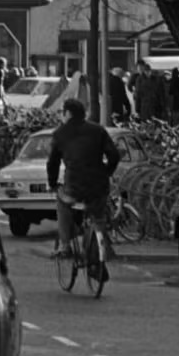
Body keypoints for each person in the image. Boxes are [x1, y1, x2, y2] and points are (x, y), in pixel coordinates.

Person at [45, 99, 122, 259]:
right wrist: (106, 172)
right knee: (98, 214)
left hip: (74, 185)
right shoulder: (98, 130)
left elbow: (53, 162)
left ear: (67, 113)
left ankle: (65, 246)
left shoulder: (60, 133)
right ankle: (104, 247)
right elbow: (114, 155)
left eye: (62, 113)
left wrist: (53, 183)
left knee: (62, 203)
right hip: (99, 184)